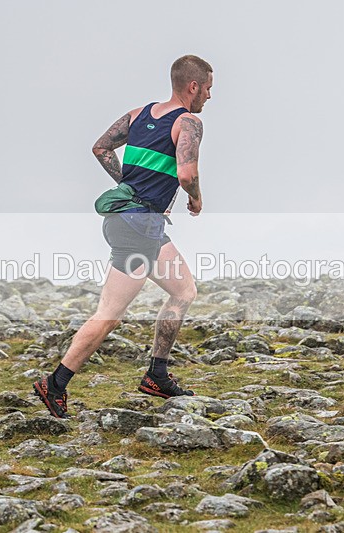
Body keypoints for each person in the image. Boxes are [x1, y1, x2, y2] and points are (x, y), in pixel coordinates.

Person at [32, 55, 213, 419]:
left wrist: (131, 188)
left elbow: (101, 147)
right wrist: (195, 198)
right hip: (139, 226)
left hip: (133, 222)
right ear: (193, 86)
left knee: (184, 291)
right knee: (110, 314)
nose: (210, 96)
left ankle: (157, 375)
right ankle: (55, 384)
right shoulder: (188, 122)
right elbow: (186, 172)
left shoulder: (138, 114)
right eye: (208, 88)